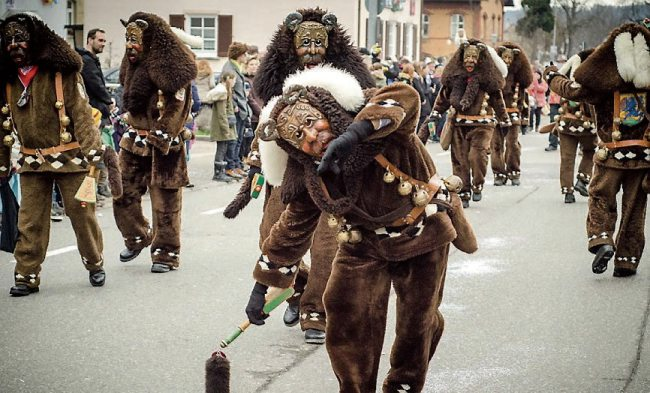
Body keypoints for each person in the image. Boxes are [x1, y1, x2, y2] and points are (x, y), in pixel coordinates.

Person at [246, 65, 477, 392]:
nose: (312, 136)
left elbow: (406, 97)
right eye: (300, 136)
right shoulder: (309, 173)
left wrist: (354, 135)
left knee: (417, 324)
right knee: (344, 318)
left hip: (422, 234)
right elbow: (292, 228)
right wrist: (262, 287)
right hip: (362, 245)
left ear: (324, 109)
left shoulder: (366, 110)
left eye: (312, 123)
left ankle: (403, 385)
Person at [231, 7, 375, 345]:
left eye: (318, 43)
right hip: (286, 172)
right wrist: (255, 166)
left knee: (327, 245)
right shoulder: (282, 88)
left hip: (331, 175)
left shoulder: (345, 88)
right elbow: (266, 126)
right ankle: (296, 289)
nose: (311, 50)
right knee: (272, 233)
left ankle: (316, 312)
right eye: (303, 43)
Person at [0, 13, 117, 295]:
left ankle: (94, 262)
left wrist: (93, 152)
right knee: (28, 221)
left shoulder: (61, 72)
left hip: (71, 159)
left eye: (21, 39)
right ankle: (26, 275)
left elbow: (81, 113)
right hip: (31, 162)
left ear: (36, 41)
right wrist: (3, 165)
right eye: (9, 39)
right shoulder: (6, 80)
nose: (15, 45)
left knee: (81, 214)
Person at [545, 22, 650, 277]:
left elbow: (572, 90)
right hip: (643, 156)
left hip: (611, 154)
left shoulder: (604, 84)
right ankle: (626, 260)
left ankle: (602, 239)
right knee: (635, 209)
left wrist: (552, 76)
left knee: (600, 197)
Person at [112, 12, 196, 273]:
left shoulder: (172, 66)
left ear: (149, 39)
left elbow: (179, 105)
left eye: (135, 40)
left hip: (165, 145)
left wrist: (162, 135)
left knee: (166, 204)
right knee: (122, 192)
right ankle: (137, 235)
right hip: (133, 142)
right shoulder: (132, 64)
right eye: (128, 40)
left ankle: (166, 253)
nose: (130, 46)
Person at [419, 39, 510, 208]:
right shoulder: (455, 79)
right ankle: (463, 192)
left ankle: (477, 184)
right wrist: (435, 115)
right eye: (466, 57)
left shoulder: (489, 80)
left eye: (474, 57)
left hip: (482, 126)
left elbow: (498, 101)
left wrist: (504, 119)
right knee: (460, 160)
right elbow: (442, 100)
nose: (470, 61)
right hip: (459, 125)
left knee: (477, 157)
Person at [543, 49, 597, 204]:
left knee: (567, 159)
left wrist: (551, 71)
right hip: (588, 127)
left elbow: (552, 79)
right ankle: (582, 179)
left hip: (566, 125)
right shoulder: (594, 85)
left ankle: (568, 192)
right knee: (589, 151)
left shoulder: (565, 85)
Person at [76, 28, 114, 200]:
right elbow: (95, 85)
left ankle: (98, 189)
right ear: (90, 40)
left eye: (104, 41)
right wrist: (109, 100)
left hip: (99, 113)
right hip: (92, 114)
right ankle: (91, 192)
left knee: (100, 152)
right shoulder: (86, 61)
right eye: (100, 40)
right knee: (93, 154)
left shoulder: (91, 60)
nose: (103, 44)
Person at [490, 42, 534, 187]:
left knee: (512, 144)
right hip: (496, 115)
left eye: (510, 58)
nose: (507, 60)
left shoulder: (518, 78)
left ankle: (514, 171)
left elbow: (524, 97)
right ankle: (499, 173)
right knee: (496, 145)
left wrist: (525, 117)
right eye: (504, 57)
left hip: (513, 114)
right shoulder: (495, 76)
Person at [221, 42, 250, 177]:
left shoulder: (236, 67)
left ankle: (237, 165)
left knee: (239, 140)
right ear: (239, 55)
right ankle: (230, 167)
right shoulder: (229, 68)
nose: (246, 56)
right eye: (244, 54)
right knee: (233, 141)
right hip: (236, 110)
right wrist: (234, 106)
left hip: (242, 110)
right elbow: (227, 89)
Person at [206, 71, 237, 182]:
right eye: (234, 80)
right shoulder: (222, 93)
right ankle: (218, 173)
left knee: (223, 149)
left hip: (224, 126)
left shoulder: (225, 91)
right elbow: (221, 113)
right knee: (221, 149)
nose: (235, 82)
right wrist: (225, 129)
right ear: (229, 79)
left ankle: (221, 172)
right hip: (221, 127)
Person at [242, 56, 261, 162]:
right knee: (249, 140)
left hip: (262, 114)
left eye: (256, 64)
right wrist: (260, 112)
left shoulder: (261, 79)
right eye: (251, 64)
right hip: (252, 116)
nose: (254, 67)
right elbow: (250, 99)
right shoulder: (245, 80)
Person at [194, 59, 215, 132]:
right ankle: (204, 128)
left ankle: (195, 127)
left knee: (196, 114)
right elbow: (212, 85)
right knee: (206, 115)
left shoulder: (195, 74)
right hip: (206, 98)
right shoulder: (210, 74)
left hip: (197, 97)